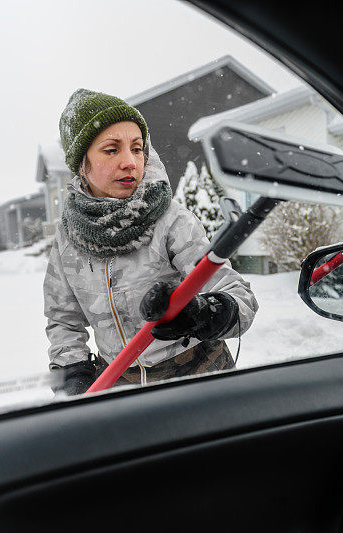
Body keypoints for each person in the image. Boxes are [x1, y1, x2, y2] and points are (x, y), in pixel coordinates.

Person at [45, 89, 258, 396]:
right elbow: (62, 320)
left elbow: (237, 294)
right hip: (121, 389)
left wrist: (204, 313)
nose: (130, 162)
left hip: (201, 379)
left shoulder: (171, 220)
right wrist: (72, 373)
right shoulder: (68, 239)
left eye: (137, 148)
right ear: (82, 163)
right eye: (111, 150)